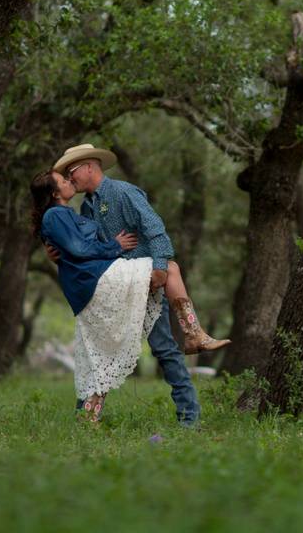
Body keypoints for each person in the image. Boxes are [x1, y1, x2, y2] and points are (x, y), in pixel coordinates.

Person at [51, 143, 229, 426]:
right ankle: (86, 419)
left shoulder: (123, 193)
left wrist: (159, 266)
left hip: (145, 285)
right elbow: (87, 250)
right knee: (99, 352)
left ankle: (189, 418)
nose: (70, 179)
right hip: (114, 289)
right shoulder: (85, 209)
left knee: (165, 349)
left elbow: (155, 228)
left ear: (89, 166)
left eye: (71, 172)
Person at [31, 170, 161, 423]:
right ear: (55, 193)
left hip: (90, 281)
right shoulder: (55, 214)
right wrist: (116, 246)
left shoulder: (64, 214)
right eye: (64, 181)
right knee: (168, 268)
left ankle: (87, 416)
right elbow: (79, 249)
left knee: (96, 352)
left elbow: (71, 246)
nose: (70, 182)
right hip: (94, 280)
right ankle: (192, 330)